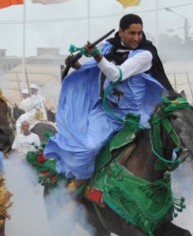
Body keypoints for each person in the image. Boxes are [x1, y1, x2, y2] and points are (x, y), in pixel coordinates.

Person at [41, 13, 172, 182]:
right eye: (132, 33)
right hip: (106, 113)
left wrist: (96, 55)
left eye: (139, 33)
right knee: (89, 148)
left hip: (136, 116)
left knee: (163, 146)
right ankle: (78, 188)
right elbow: (99, 70)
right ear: (121, 32)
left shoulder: (145, 55)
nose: (136, 38)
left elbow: (116, 75)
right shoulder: (109, 47)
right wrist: (77, 65)